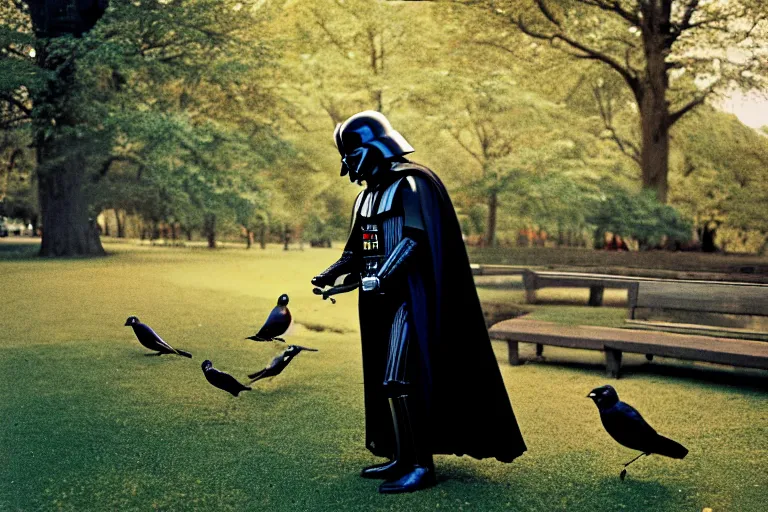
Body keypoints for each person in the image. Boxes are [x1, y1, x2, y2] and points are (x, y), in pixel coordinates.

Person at [311, 111, 526, 494]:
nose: (348, 167)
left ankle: (421, 464)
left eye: (351, 154)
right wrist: (333, 273)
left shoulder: (412, 184)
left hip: (410, 299)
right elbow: (362, 248)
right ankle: (401, 455)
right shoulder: (367, 196)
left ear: (372, 148)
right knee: (385, 381)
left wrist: (383, 275)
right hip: (377, 300)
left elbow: (414, 238)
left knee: (399, 377)